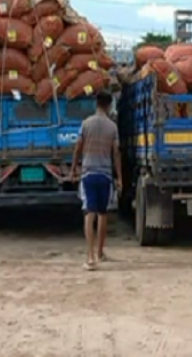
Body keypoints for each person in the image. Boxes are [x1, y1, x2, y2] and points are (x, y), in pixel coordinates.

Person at [71, 90, 122, 270]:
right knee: (102, 214)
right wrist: (120, 177)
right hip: (105, 175)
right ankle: (100, 253)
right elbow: (116, 152)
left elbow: (78, 148)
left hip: (88, 174)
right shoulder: (112, 127)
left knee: (88, 212)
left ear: (96, 104)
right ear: (109, 106)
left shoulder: (86, 124)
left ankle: (90, 257)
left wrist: (73, 169)